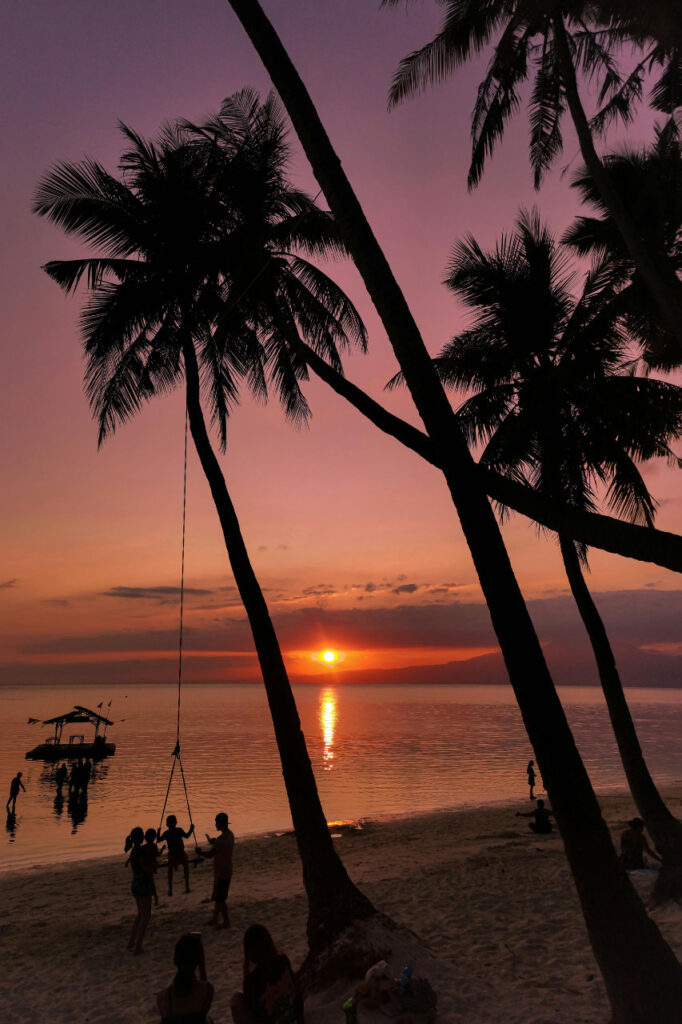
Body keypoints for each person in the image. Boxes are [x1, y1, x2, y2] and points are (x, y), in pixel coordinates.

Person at [231, 924, 303, 1024]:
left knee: (236, 999)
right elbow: (297, 994)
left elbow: (256, 1015)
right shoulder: (283, 961)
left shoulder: (252, 980)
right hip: (292, 1018)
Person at [156, 932, 214, 1024]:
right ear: (197, 960)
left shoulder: (163, 998)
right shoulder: (207, 991)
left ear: (175, 959)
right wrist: (202, 966)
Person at [203, 812, 235, 928]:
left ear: (220, 824)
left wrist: (199, 852)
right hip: (227, 869)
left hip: (221, 872)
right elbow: (220, 846)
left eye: (216, 823)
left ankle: (226, 922)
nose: (215, 825)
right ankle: (215, 919)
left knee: (220, 898)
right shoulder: (230, 835)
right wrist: (214, 842)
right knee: (218, 897)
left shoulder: (221, 839)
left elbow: (210, 854)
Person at [125, 826, 154, 954]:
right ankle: (138, 946)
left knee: (140, 914)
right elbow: (144, 867)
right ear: (141, 838)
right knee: (146, 916)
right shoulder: (140, 851)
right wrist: (152, 868)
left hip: (136, 883)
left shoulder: (133, 851)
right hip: (143, 884)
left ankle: (132, 941)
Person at [158, 814, 194, 896]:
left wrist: (158, 833)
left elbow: (159, 840)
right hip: (181, 854)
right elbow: (187, 836)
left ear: (167, 824)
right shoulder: (179, 830)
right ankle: (187, 886)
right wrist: (191, 829)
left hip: (172, 855)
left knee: (170, 872)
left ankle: (170, 890)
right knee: (186, 867)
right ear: (176, 823)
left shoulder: (166, 833)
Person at [144, 827, 164, 906]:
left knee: (149, 882)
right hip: (152, 865)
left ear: (145, 837)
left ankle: (155, 897)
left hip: (147, 865)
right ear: (154, 837)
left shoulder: (144, 847)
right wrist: (162, 849)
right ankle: (155, 896)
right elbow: (158, 855)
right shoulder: (154, 846)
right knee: (150, 881)